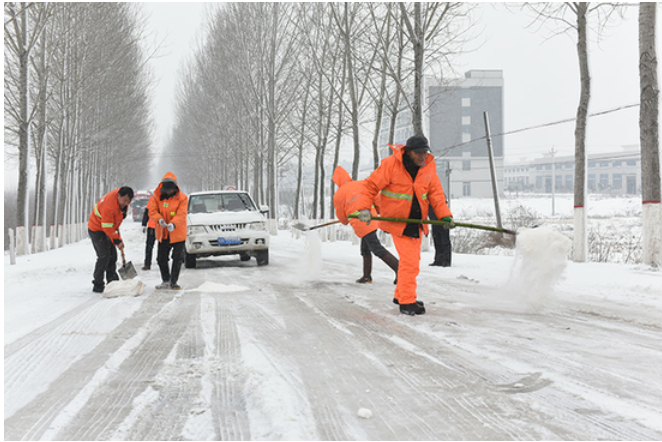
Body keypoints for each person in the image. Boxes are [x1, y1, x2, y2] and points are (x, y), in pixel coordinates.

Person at [357, 135, 454, 316]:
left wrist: (445, 215)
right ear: (409, 152)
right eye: (418, 153)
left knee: (412, 262)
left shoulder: (429, 167)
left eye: (425, 152)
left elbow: (436, 194)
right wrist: (364, 209)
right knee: (409, 263)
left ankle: (400, 294)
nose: (422, 156)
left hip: (418, 222)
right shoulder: (391, 165)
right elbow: (370, 186)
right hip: (399, 222)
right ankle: (407, 302)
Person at [332, 166, 399, 284]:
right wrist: (379, 211)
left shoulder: (338, 195)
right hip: (371, 217)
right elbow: (377, 198)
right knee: (365, 249)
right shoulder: (362, 184)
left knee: (377, 249)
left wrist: (345, 220)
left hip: (360, 222)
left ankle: (400, 270)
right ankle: (367, 276)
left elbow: (342, 217)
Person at [87, 186, 134, 293]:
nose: (126, 203)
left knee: (113, 255)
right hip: (96, 229)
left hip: (108, 227)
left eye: (129, 201)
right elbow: (106, 226)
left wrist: (116, 236)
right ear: (118, 196)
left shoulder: (121, 202)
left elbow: (113, 222)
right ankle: (98, 284)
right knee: (104, 256)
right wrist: (117, 240)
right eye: (124, 200)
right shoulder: (109, 206)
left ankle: (112, 280)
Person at [148, 172, 188, 290]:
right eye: (166, 189)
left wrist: (173, 224)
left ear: (175, 188)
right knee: (161, 258)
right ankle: (166, 279)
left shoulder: (183, 198)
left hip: (177, 234)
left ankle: (174, 282)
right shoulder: (156, 197)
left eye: (170, 189)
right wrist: (159, 220)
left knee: (177, 258)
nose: (168, 192)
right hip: (163, 233)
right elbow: (152, 211)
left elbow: (181, 213)